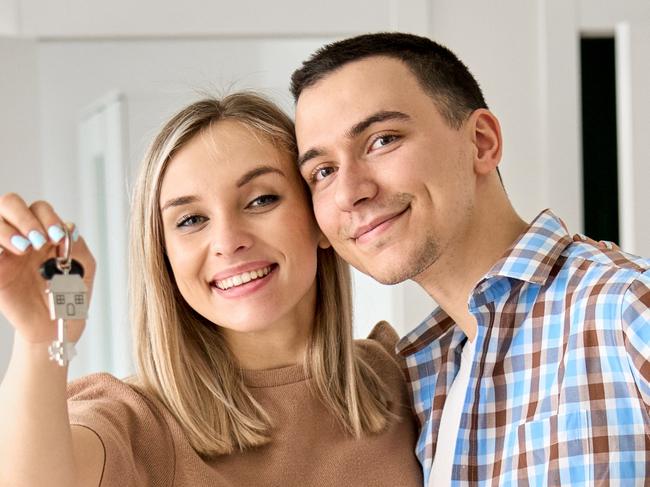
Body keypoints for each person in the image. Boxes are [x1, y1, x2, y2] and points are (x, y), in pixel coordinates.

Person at [0, 92, 423, 487]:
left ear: (320, 218)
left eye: (261, 200)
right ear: (163, 257)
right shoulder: (135, 423)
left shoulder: (405, 376)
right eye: (190, 220)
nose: (227, 240)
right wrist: (42, 340)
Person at [290, 32, 650, 485]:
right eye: (322, 171)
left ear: (481, 142)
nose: (350, 192)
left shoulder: (628, 308)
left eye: (382, 140)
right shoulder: (414, 379)